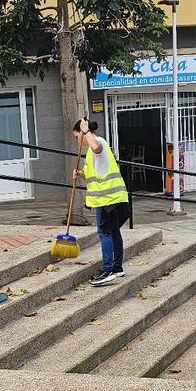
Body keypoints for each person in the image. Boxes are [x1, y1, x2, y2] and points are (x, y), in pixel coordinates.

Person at [72, 118, 130, 286]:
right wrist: (81, 174)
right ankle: (117, 267)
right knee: (113, 232)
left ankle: (107, 270)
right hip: (112, 197)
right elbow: (96, 173)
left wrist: (86, 130)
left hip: (108, 199)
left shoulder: (97, 142)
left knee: (104, 232)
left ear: (84, 133)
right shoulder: (91, 151)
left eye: (77, 137)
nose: (78, 141)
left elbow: (96, 147)